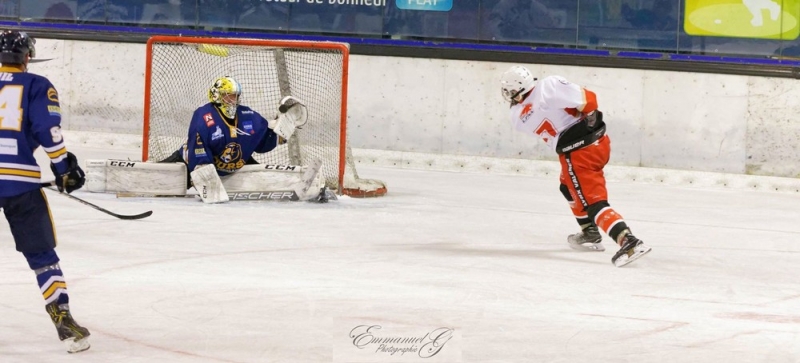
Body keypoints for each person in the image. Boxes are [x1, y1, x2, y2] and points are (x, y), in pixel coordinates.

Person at [499, 65, 652, 267]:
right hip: (597, 143)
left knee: (592, 202)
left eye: (509, 91)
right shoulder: (549, 86)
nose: (508, 96)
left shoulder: (516, 117)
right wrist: (588, 115)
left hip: (579, 154)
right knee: (566, 185)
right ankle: (589, 232)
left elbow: (540, 112)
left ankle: (628, 241)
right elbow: (590, 100)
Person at [0, 30, 91, 352]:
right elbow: (46, 131)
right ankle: (62, 317)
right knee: (42, 257)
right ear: (27, 56)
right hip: (19, 182)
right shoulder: (37, 85)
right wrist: (64, 168)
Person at [160, 76, 305, 195]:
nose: (232, 101)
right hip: (190, 163)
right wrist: (204, 178)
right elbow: (198, 150)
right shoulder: (204, 117)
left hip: (236, 167)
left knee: (267, 182)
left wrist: (281, 131)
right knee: (156, 183)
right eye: (227, 97)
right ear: (216, 96)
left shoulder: (248, 115)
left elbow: (262, 144)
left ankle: (302, 186)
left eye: (235, 97)